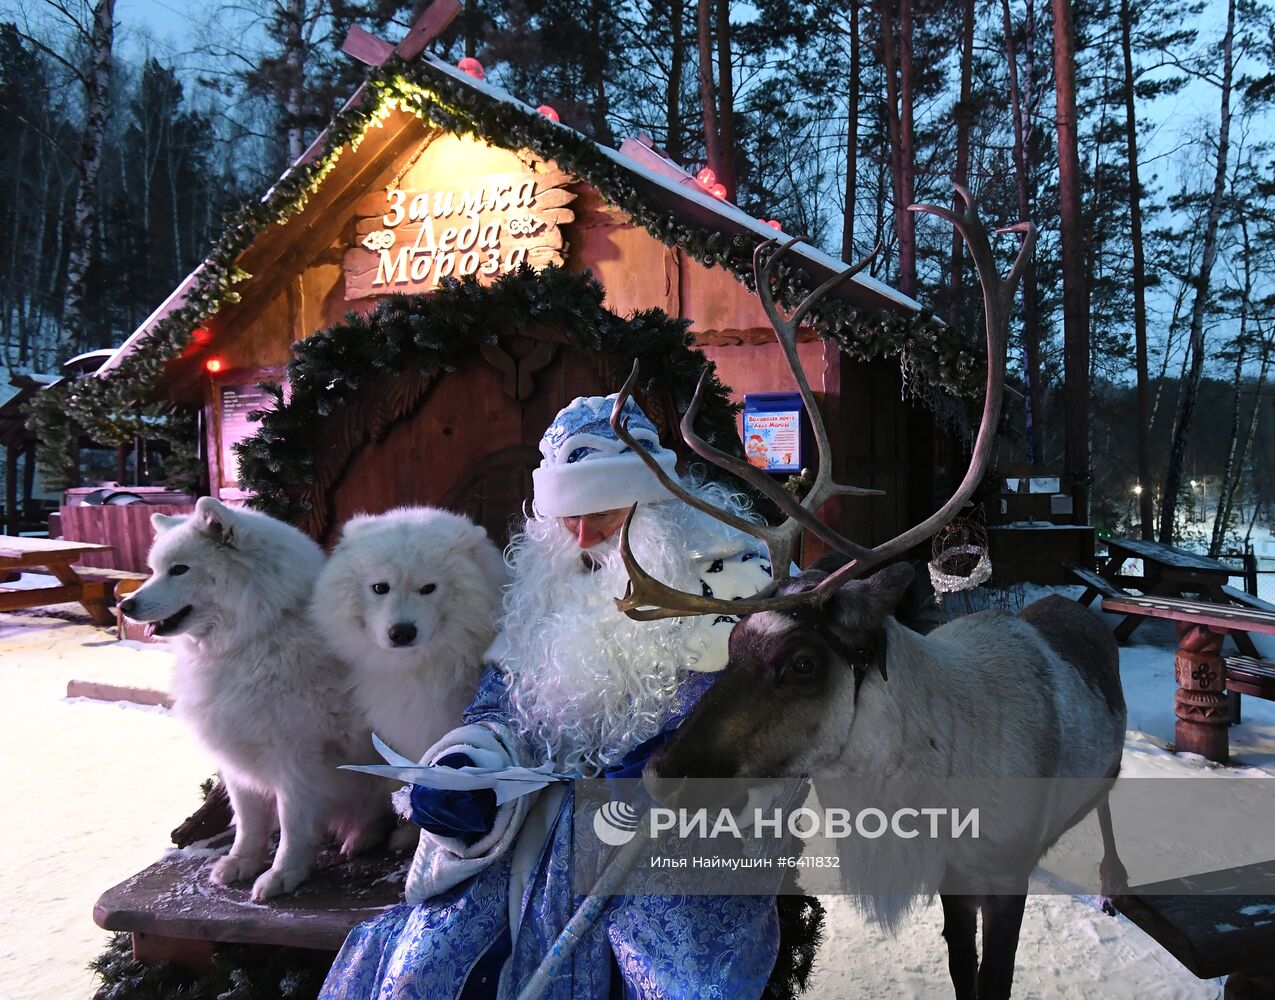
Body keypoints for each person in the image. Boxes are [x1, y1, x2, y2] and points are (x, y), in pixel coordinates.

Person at [319, 393, 783, 999]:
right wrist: (468, 762)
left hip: (667, 839)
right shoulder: (545, 579)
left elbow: (770, 713)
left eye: (605, 512)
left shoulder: (728, 576)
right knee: (427, 967)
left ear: (654, 498)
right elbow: (500, 705)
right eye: (568, 516)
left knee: (681, 977)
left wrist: (684, 763)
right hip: (534, 833)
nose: (584, 535)